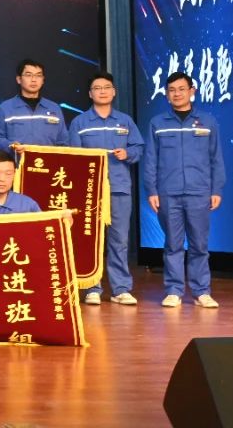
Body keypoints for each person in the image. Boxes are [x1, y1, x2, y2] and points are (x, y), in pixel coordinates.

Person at [143, 72, 225, 309]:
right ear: (167, 94)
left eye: (181, 89)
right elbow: (150, 159)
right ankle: (173, 291)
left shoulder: (207, 122)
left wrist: (216, 189)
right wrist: (151, 190)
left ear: (192, 91)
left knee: (199, 244)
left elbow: (216, 158)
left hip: (199, 192)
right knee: (173, 244)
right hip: (168, 193)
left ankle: (201, 292)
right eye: (172, 90)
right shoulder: (157, 123)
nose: (177, 94)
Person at [69, 72, 145, 306]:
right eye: (97, 88)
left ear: (113, 92)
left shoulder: (125, 121)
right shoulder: (79, 122)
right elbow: (73, 157)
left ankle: (121, 289)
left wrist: (128, 153)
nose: (102, 91)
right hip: (90, 191)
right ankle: (92, 287)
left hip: (119, 188)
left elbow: (138, 148)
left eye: (106, 87)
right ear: (90, 94)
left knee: (119, 240)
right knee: (91, 240)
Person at [0, 59, 68, 155]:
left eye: (38, 75)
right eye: (28, 75)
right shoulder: (6, 108)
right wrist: (10, 145)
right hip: (16, 163)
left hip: (48, 163)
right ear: (19, 79)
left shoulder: (54, 108)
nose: (34, 80)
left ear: (43, 80)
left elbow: (64, 142)